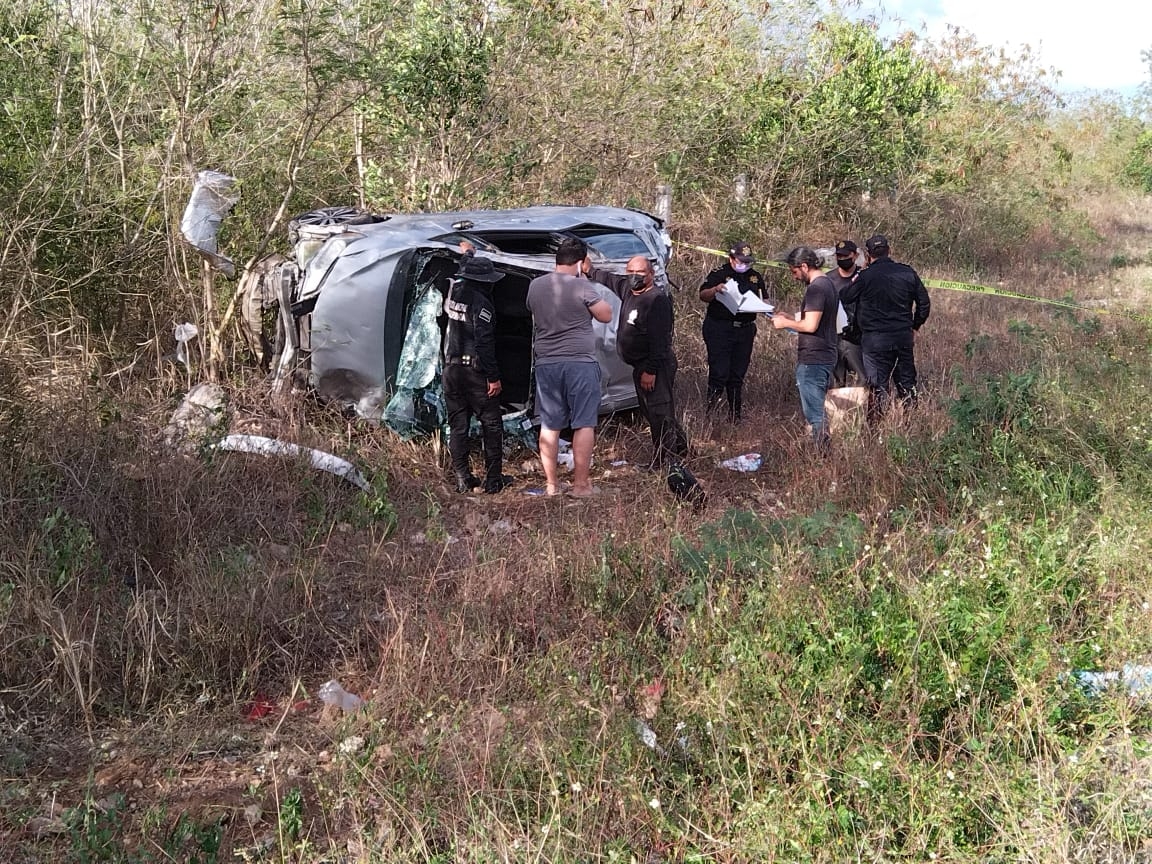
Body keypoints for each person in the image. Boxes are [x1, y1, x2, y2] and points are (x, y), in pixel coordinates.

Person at [526, 237, 614, 497]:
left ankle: (552, 485)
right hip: (579, 362)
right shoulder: (581, 286)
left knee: (550, 425)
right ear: (581, 262)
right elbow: (606, 314)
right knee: (584, 423)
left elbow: (533, 311)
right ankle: (580, 486)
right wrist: (585, 281)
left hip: (546, 363)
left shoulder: (534, 286)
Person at [586, 255, 689, 469]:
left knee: (659, 413)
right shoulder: (628, 290)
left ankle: (664, 462)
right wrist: (591, 270)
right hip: (639, 365)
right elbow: (610, 279)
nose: (634, 277)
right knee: (654, 412)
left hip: (655, 365)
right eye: (630, 272)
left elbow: (661, 341)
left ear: (650, 274)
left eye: (640, 273)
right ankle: (682, 449)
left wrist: (650, 371)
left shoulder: (656, 300)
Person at [442, 245, 512, 493]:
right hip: (475, 373)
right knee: (491, 424)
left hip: (451, 371)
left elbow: (462, 269)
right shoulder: (482, 304)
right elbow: (484, 342)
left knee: (458, 426)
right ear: (486, 282)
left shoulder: (455, 291)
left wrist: (468, 254)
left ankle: (463, 477)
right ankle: (493, 480)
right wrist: (493, 377)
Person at [839, 234, 931, 417]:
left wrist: (861, 273)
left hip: (874, 341)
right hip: (902, 337)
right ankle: (911, 423)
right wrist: (915, 327)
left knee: (876, 386)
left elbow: (845, 296)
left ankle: (876, 427)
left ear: (867, 255)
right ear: (889, 251)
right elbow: (924, 304)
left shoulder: (864, 276)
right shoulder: (907, 272)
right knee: (906, 383)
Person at [770, 247, 840, 446]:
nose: (794, 277)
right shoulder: (828, 284)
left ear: (804, 266)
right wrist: (792, 319)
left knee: (815, 414)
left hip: (814, 360)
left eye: (794, 271)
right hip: (825, 354)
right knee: (820, 411)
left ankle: (823, 455)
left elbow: (810, 325)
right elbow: (817, 321)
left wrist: (785, 324)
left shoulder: (816, 288)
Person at [698, 241, 767, 424]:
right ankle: (711, 415)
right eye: (740, 261)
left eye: (747, 262)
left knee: (737, 375)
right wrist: (715, 290)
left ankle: (735, 416)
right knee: (719, 372)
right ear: (731, 258)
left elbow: (764, 298)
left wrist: (768, 308)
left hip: (744, 330)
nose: (744, 265)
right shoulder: (719, 273)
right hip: (720, 328)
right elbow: (703, 295)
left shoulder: (755, 277)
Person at [825, 239, 868, 388]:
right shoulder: (828, 279)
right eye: (839, 256)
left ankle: (859, 408)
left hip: (858, 337)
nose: (842, 259)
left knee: (863, 378)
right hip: (834, 336)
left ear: (855, 255)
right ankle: (839, 410)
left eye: (845, 256)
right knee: (837, 382)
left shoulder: (864, 276)